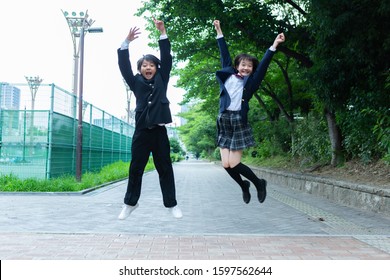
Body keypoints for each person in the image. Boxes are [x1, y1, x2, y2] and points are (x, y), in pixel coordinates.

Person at [213, 19, 285, 204]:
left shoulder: (251, 83)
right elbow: (224, 54)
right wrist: (219, 30)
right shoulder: (228, 75)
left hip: (238, 121)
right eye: (242, 64)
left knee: (235, 163)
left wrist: (274, 45)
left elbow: (264, 66)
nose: (245, 67)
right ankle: (243, 186)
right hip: (224, 120)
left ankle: (259, 183)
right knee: (226, 165)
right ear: (237, 66)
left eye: (249, 66)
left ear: (252, 70)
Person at [117, 18, 182, 219]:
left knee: (165, 168)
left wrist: (162, 33)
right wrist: (125, 43)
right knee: (136, 168)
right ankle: (130, 203)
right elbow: (123, 65)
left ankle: (171, 205)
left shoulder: (163, 78)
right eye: (145, 65)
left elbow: (166, 57)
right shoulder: (135, 82)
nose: (148, 68)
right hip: (142, 132)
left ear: (156, 68)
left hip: (159, 132)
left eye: (152, 65)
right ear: (140, 69)